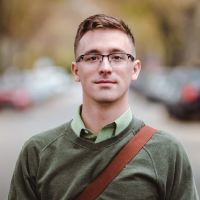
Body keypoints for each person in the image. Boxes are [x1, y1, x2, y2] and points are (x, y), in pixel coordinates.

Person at [8, 14, 199, 200]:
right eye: (92, 57)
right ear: (76, 71)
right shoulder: (37, 153)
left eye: (117, 57)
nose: (105, 67)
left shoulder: (168, 152)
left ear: (134, 69)